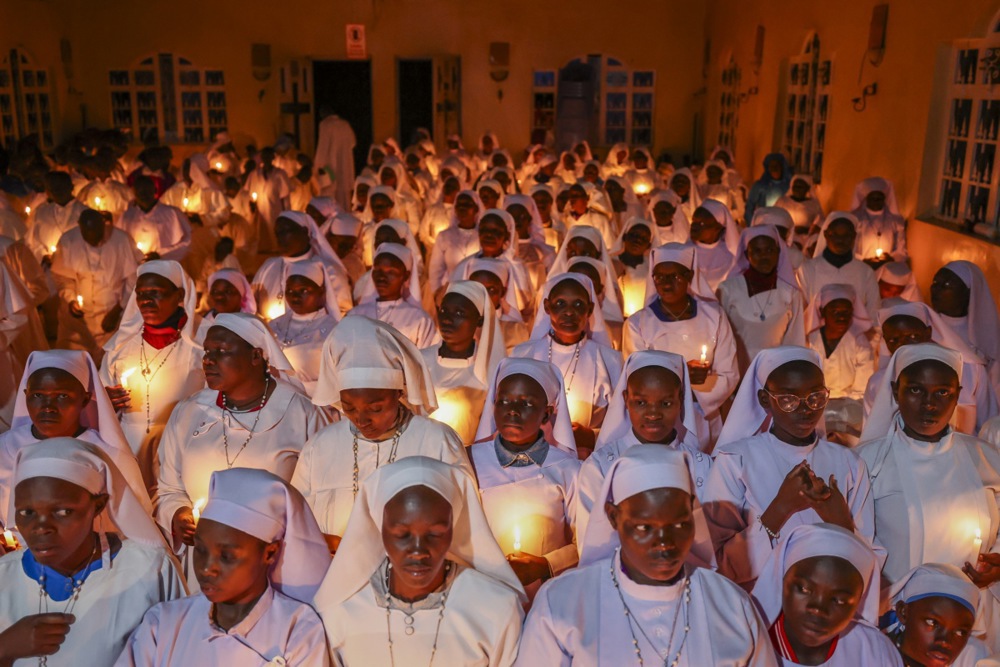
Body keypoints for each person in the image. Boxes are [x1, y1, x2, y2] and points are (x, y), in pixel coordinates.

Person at [516, 445, 776, 666]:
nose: (664, 543)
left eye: (679, 524)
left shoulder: (731, 605)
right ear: (614, 517)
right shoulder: (562, 603)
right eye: (645, 527)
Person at [156, 313, 327, 585]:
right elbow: (169, 489)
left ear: (256, 356)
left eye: (221, 352)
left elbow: (318, 498)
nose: (208, 360)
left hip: (274, 563)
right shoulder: (188, 412)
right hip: (205, 563)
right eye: (207, 351)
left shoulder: (302, 414)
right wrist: (178, 513)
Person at [858, 343, 1000, 652]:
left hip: (973, 620)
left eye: (942, 393)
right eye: (916, 391)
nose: (929, 405)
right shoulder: (866, 464)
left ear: (958, 393)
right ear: (896, 392)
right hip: (897, 617)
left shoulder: (986, 458)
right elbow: (855, 541)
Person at [314, 456, 524, 665]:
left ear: (454, 527)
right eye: (401, 534)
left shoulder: (496, 608)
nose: (418, 550)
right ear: (380, 528)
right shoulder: (340, 611)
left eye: (435, 534)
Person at [292, 316, 472, 555]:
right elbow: (296, 521)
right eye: (349, 408)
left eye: (375, 408)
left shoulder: (436, 440)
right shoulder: (319, 446)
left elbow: (464, 522)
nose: (361, 420)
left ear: (399, 392)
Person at [116, 468, 331, 667]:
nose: (207, 568)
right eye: (200, 550)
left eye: (227, 556)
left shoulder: (298, 629)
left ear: (270, 553)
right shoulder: (163, 623)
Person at [0, 438, 185, 666]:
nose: (41, 527)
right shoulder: (4, 576)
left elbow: (183, 654)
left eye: (62, 511)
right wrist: (4, 647)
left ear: (98, 505)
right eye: (27, 512)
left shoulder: (150, 570)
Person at [705, 346, 874, 587]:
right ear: (765, 400)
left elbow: (868, 560)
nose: (805, 409)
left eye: (815, 397)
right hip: (757, 608)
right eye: (788, 400)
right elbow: (719, 564)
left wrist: (842, 525)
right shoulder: (735, 460)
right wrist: (781, 508)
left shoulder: (849, 463)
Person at [575, 350, 712, 544]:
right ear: (625, 399)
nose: (653, 414)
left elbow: (710, 539)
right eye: (641, 403)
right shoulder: (599, 467)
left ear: (680, 401)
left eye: (665, 403)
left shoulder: (704, 467)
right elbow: (593, 542)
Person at [0, 350, 150, 527]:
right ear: (26, 394)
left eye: (62, 396)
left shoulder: (109, 456)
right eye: (38, 395)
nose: (48, 407)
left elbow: (136, 525)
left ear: (85, 399)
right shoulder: (5, 446)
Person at [470, 358, 580, 594]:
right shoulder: (470, 461)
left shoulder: (568, 469)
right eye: (504, 401)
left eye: (526, 404)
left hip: (549, 592)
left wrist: (546, 564)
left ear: (546, 414)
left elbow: (587, 541)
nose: (512, 410)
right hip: (485, 589)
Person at [99, 261, 205, 490]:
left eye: (155, 293)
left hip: (185, 448)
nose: (146, 301)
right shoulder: (121, 346)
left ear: (179, 295)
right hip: (130, 447)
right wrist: (107, 400)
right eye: (141, 294)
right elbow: (100, 397)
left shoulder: (202, 341)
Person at [623, 243, 739, 450]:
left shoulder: (714, 316)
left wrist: (691, 392)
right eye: (659, 276)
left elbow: (729, 373)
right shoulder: (637, 324)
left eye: (675, 276)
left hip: (703, 415)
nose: (666, 283)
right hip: (657, 416)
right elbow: (636, 378)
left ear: (689, 276)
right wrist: (684, 382)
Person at [751, 523, 899, 666]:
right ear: (782, 582)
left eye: (838, 600)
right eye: (804, 589)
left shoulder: (875, 651)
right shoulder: (747, 643)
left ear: (859, 601)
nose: (817, 609)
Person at [511, 273, 622, 455]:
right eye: (560, 303)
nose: (569, 312)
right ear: (547, 306)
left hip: (587, 458)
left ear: (590, 308)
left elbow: (621, 426)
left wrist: (590, 436)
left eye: (578, 304)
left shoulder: (610, 360)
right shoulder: (522, 354)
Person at [865, 300, 997, 436]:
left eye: (912, 336)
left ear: (928, 333)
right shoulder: (877, 383)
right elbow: (873, 433)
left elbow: (990, 424)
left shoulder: (970, 370)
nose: (904, 345)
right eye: (894, 340)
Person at [420, 281, 505, 444]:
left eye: (459, 313)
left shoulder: (491, 370)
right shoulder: (419, 361)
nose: (447, 320)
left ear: (479, 321)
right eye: (444, 310)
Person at [51, 209, 142, 360]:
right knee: (75, 364)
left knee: (114, 362)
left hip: (114, 314)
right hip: (80, 321)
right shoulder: (68, 240)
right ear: (80, 228)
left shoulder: (121, 240)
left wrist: (119, 308)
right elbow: (62, 278)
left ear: (104, 224)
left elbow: (134, 277)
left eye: (96, 233)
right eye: (87, 234)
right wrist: (71, 299)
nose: (92, 240)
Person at [719, 224, 807, 374]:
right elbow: (721, 337)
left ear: (778, 252)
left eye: (769, 250)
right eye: (757, 251)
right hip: (736, 371)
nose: (764, 257)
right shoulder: (728, 289)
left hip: (776, 371)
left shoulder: (790, 293)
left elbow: (795, 339)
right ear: (747, 255)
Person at [251, 210, 352, 320]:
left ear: (304, 232)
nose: (279, 238)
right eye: (277, 233)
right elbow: (251, 304)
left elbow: (343, 313)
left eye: (285, 232)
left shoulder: (329, 270)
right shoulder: (269, 265)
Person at [805, 284, 874, 444]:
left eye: (846, 312)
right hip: (814, 408)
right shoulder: (809, 339)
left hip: (850, 411)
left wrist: (838, 412)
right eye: (835, 311)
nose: (841, 317)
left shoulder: (860, 341)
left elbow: (862, 387)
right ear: (822, 312)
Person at [883, 563, 990, 667]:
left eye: (960, 632)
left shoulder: (974, 660)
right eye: (932, 623)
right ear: (903, 612)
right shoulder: (874, 653)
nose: (945, 642)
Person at [266, 260, 340, 397]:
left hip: (315, 405)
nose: (295, 296)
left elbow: (336, 383)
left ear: (321, 291)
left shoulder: (334, 331)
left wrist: (288, 384)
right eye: (290, 290)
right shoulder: (273, 325)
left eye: (303, 291)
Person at [349, 242, 438, 349]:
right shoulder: (355, 315)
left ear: (406, 276)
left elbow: (426, 360)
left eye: (390, 272)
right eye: (377, 270)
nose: (381, 277)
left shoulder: (420, 319)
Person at [931, 260, 1000, 397]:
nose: (936, 290)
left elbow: (994, 386)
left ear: (968, 292)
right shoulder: (926, 327)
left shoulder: (987, 335)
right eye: (935, 283)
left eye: (947, 285)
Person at [800, 212, 881, 317]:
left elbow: (874, 312)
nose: (841, 240)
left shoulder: (865, 272)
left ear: (854, 236)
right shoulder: (807, 269)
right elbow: (800, 313)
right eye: (835, 234)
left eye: (846, 235)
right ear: (826, 235)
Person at [117, 176, 192, 263]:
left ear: (155, 190)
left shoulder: (172, 213)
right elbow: (119, 243)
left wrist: (161, 255)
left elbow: (187, 241)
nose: (144, 195)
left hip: (164, 266)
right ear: (134, 192)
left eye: (147, 191)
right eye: (140, 191)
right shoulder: (127, 216)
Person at [427, 189, 483, 300]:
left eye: (467, 205)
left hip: (477, 294)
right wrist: (437, 294)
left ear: (476, 209)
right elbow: (435, 269)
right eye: (459, 205)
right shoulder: (445, 236)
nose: (463, 208)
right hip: (450, 293)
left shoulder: (483, 236)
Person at [242, 147, 291, 252]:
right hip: (258, 210)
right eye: (264, 156)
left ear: (273, 157)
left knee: (274, 232)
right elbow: (247, 193)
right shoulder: (254, 174)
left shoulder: (280, 174)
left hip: (275, 209)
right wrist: (251, 203)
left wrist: (286, 213)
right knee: (258, 233)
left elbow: (285, 197)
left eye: (269, 156)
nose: (267, 159)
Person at [850, 177, 907, 266]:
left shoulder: (895, 220)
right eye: (873, 198)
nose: (876, 202)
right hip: (861, 265)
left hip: (888, 265)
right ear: (866, 199)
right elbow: (850, 249)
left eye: (879, 198)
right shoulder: (856, 219)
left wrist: (891, 258)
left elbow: (901, 251)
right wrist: (865, 261)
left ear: (884, 199)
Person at [193, 268, 257, 345]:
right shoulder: (202, 321)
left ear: (241, 294)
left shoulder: (251, 326)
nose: (219, 296)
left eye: (228, 291)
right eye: (215, 291)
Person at [690, 199, 740, 292]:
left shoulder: (729, 257)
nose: (694, 226)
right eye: (694, 221)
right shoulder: (685, 252)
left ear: (718, 228)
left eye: (701, 223)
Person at [612, 218, 653, 318]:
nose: (638, 240)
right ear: (625, 237)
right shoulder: (611, 264)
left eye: (643, 238)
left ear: (649, 245)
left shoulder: (652, 267)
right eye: (634, 235)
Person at [774, 174, 823, 251]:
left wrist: (808, 230)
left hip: (805, 239)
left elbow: (820, 221)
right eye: (795, 186)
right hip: (784, 238)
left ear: (807, 188)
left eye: (800, 187)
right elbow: (774, 217)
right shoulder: (782, 201)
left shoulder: (814, 204)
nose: (797, 189)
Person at [746, 153, 792, 224]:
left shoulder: (789, 186)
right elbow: (749, 206)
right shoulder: (760, 186)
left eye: (777, 166)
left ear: (782, 167)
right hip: (763, 223)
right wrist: (752, 224)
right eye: (771, 166)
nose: (774, 169)